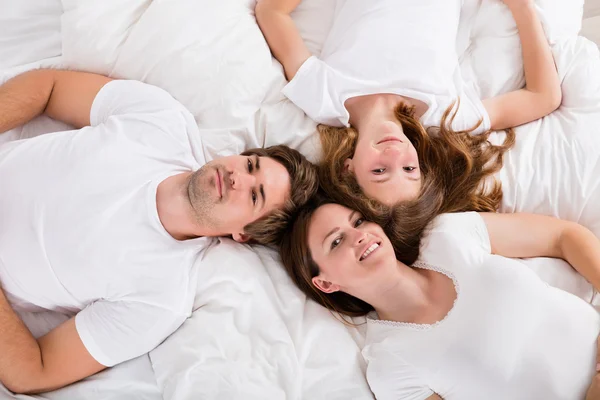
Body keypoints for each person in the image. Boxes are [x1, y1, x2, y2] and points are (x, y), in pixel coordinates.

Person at [0, 69, 318, 394]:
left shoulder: (159, 300)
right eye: (251, 166)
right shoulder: (163, 120)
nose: (239, 178)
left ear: (243, 235)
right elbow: (50, 87)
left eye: (255, 196)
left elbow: (33, 372)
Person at [279, 197, 600, 399]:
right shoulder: (391, 366)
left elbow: (563, 237)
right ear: (325, 283)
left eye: (358, 221)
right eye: (336, 242)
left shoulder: (448, 237)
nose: (359, 235)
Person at [256, 0, 561, 205]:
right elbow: (543, 97)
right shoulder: (448, 115)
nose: (394, 153)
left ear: (349, 169)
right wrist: (522, 8)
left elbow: (271, 13)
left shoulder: (324, 97)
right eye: (408, 168)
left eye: (379, 172)